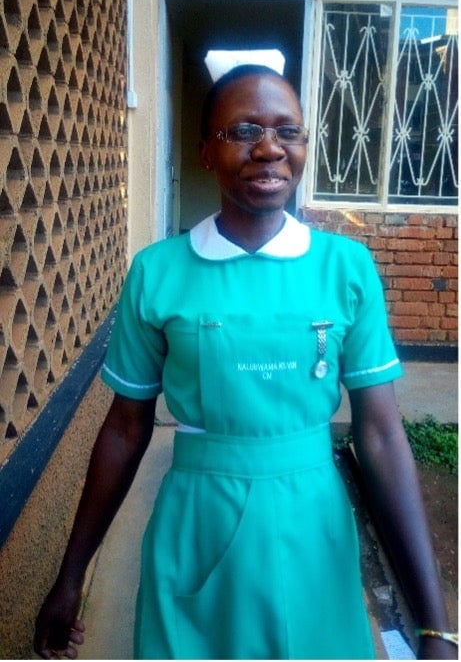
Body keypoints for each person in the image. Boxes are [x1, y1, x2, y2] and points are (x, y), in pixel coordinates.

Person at [34, 65, 456, 660]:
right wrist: (71, 576)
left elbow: (382, 436)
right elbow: (126, 428)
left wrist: (435, 628)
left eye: (289, 131)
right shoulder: (158, 272)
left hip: (314, 527)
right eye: (243, 131)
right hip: (197, 523)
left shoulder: (346, 268)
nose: (269, 148)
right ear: (206, 150)